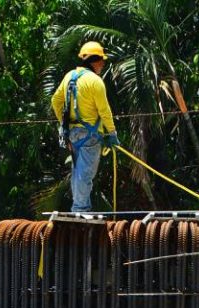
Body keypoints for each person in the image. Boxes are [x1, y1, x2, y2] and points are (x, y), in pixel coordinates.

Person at [51, 40, 119, 213]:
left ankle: (80, 207)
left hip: (72, 134)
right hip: (90, 136)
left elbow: (55, 101)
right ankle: (80, 209)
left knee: (77, 171)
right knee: (85, 173)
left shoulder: (69, 77)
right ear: (94, 61)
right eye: (101, 61)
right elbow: (104, 111)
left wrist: (63, 124)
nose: (103, 64)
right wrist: (112, 133)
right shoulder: (95, 82)